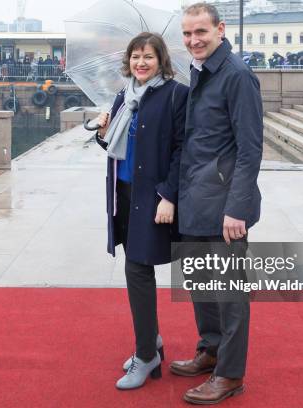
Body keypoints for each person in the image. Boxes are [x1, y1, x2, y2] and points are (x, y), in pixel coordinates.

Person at [170, 3, 263, 405]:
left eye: (201, 32)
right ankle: (210, 349)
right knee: (200, 284)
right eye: (188, 34)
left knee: (230, 293)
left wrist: (237, 207)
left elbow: (250, 148)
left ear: (220, 29)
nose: (194, 41)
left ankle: (230, 373)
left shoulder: (237, 76)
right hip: (194, 197)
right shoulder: (198, 72)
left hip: (225, 204)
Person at [95, 31, 188, 390]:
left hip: (152, 196)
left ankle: (147, 353)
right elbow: (112, 145)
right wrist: (104, 129)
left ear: (161, 60)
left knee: (137, 269)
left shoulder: (176, 95)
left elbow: (183, 150)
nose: (141, 63)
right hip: (123, 192)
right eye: (135, 56)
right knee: (137, 268)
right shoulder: (124, 95)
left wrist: (169, 195)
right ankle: (152, 341)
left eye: (148, 56)